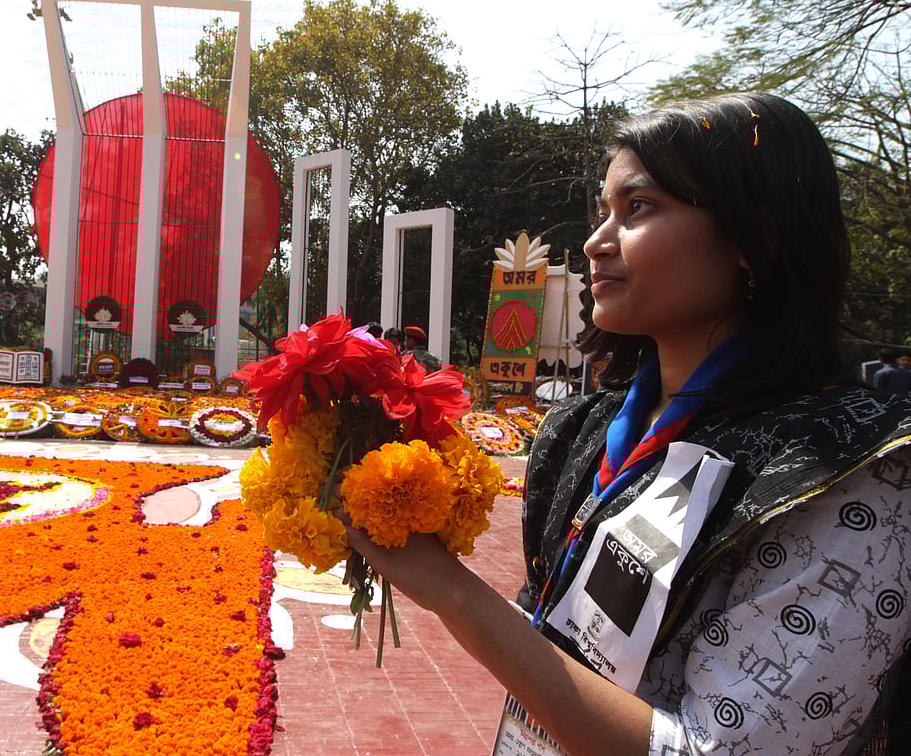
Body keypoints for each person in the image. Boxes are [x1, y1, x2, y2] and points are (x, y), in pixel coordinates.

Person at [341, 93, 910, 756]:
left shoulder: (851, 470)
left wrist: (454, 593)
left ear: (759, 235)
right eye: (603, 210)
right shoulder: (586, 430)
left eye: (638, 208)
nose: (595, 242)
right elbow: (552, 640)